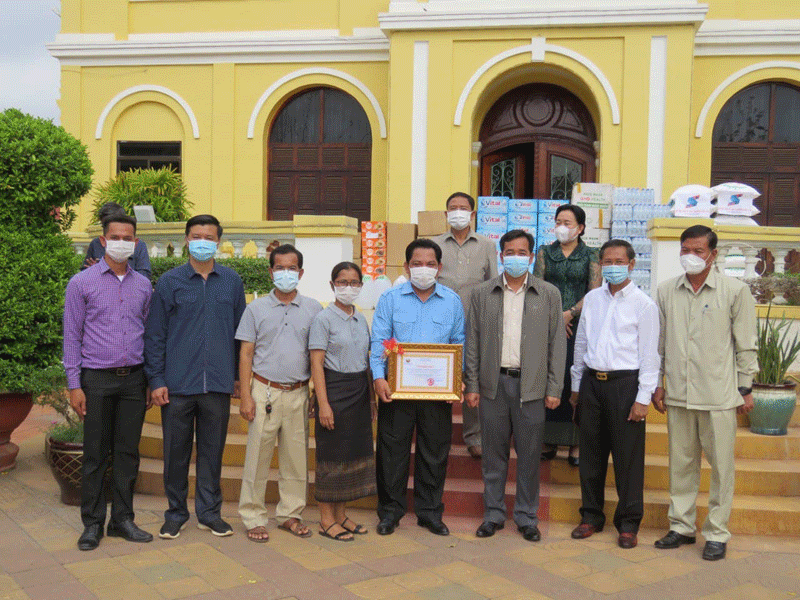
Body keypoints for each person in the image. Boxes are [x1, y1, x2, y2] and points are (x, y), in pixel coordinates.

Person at [652, 225, 757, 561]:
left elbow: (746, 343)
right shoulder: (666, 291)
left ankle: (716, 532)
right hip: (679, 393)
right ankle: (681, 526)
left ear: (713, 254)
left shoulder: (735, 291)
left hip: (718, 395)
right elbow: (659, 343)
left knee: (721, 468)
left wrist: (745, 387)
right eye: (685, 250)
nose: (691, 256)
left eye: (698, 251)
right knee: (681, 465)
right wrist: (658, 382)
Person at [145, 214, 246, 539]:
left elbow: (241, 335)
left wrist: (238, 377)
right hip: (177, 385)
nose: (203, 242)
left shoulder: (232, 282)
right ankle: (175, 514)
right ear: (187, 240)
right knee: (175, 454)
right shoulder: (169, 282)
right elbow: (155, 334)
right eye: (197, 236)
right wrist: (156, 379)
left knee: (212, 453)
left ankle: (209, 513)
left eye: (209, 237)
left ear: (218, 242)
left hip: (217, 383)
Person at [465, 229, 566, 542]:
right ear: (501, 256)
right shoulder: (483, 293)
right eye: (510, 252)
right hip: (493, 385)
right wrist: (472, 384)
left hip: (532, 387)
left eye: (522, 253)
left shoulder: (548, 294)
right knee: (493, 456)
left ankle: (526, 517)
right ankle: (493, 514)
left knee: (529, 456)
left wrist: (554, 388)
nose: (516, 258)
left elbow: (557, 344)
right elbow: (473, 341)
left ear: (532, 257)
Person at [63, 213, 154, 551]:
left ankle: (122, 520)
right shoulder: (81, 283)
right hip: (97, 380)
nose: (121, 243)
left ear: (136, 243)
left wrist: (150, 379)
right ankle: (92, 524)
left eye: (128, 238)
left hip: (134, 380)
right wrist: (75, 384)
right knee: (96, 454)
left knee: (128, 453)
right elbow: (71, 337)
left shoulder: (143, 286)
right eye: (115, 237)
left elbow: (149, 334)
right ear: (103, 241)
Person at [371, 238, 465, 536]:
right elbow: (380, 340)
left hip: (437, 392)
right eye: (417, 263)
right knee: (391, 453)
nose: (423, 269)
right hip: (396, 390)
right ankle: (390, 512)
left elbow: (459, 343)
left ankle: (430, 512)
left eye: (430, 264)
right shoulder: (390, 299)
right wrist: (378, 377)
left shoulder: (452, 301)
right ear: (406, 266)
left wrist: (456, 381)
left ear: (439, 267)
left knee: (434, 452)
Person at [569, 239, 660, 549]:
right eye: (607, 261)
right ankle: (591, 516)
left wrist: (643, 398)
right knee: (590, 455)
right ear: (600, 265)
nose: (613, 267)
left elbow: (650, 356)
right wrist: (576, 387)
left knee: (627, 459)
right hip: (592, 383)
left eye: (619, 261)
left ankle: (629, 522)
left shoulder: (644, 305)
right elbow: (581, 343)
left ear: (631, 264)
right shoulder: (592, 299)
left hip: (626, 385)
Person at [236, 244, 322, 541]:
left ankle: (290, 514)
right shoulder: (255, 309)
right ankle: (253, 516)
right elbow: (246, 353)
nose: (286, 273)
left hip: (298, 391)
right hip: (264, 391)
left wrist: (316, 394)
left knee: (296, 459)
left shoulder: (314, 309)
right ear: (271, 272)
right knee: (257, 457)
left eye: (292, 268)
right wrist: (246, 396)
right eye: (280, 268)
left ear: (301, 272)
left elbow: (317, 355)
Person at [309, 262, 377, 542]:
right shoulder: (323, 319)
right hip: (333, 391)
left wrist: (371, 399)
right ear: (332, 285)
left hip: (359, 391)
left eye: (354, 282)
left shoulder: (360, 319)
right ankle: (326, 519)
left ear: (361, 285)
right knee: (331, 457)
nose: (348, 287)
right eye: (342, 282)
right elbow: (316, 363)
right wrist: (323, 403)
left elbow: (366, 360)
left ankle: (341, 515)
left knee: (350, 456)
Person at [432, 192, 498, 459]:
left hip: (475, 320)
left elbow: (493, 283)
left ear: (472, 214)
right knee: (440, 374)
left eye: (463, 207)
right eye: (453, 207)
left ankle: (475, 436)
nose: (457, 212)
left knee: (473, 376)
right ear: (446, 214)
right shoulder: (434, 243)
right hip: (440, 321)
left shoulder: (486, 245)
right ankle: (437, 434)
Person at [534, 204, 600, 467]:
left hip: (580, 326)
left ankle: (576, 442)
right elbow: (537, 287)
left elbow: (594, 291)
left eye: (568, 223)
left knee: (575, 380)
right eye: (558, 222)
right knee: (552, 378)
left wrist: (570, 314)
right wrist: (555, 318)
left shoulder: (591, 255)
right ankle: (549, 439)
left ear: (580, 228)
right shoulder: (545, 252)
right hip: (549, 324)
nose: (561, 227)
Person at [82, 202, 151, 279]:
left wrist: (124, 275)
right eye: (104, 225)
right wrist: (96, 270)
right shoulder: (96, 244)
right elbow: (84, 272)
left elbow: (145, 274)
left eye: (126, 239)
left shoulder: (138, 245)